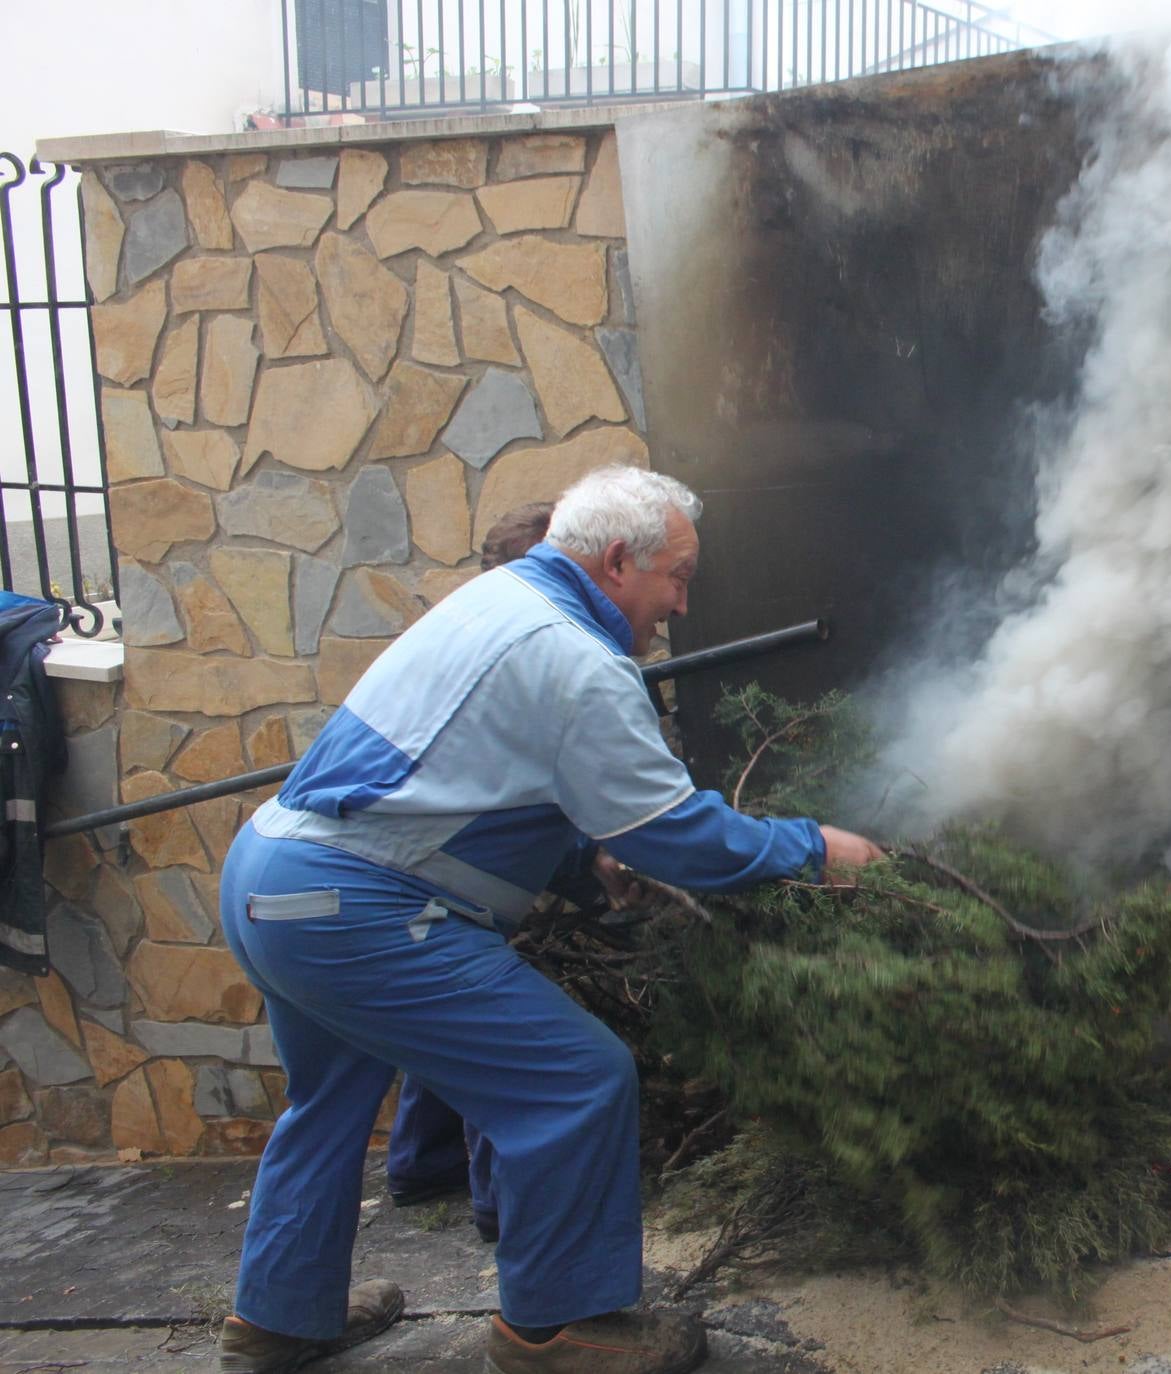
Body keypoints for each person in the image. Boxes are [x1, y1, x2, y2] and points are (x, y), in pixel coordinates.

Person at [214, 467, 884, 1374]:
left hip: (274, 880)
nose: (680, 606)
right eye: (678, 578)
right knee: (574, 1079)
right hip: (355, 907)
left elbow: (454, 782)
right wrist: (813, 850)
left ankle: (277, 1319)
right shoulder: (570, 654)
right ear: (618, 560)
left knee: (326, 1101)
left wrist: (580, 861)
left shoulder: (498, 602)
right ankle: (558, 1328)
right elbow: (675, 833)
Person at [383, 500, 560, 1242]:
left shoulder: (450, 639)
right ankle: (498, 1208)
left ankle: (422, 1165)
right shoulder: (527, 654)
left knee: (440, 1026)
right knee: (498, 1040)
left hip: (419, 870)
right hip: (436, 874)